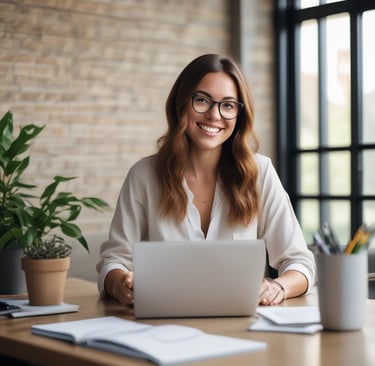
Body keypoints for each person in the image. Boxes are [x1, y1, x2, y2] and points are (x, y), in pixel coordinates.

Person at [96, 53, 316, 307]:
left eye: (228, 105)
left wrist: (278, 286)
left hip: (244, 332)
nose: (214, 115)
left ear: (239, 114)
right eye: (202, 100)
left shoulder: (260, 172)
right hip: (164, 330)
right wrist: (121, 283)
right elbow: (113, 261)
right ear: (181, 104)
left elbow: (300, 263)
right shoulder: (144, 175)